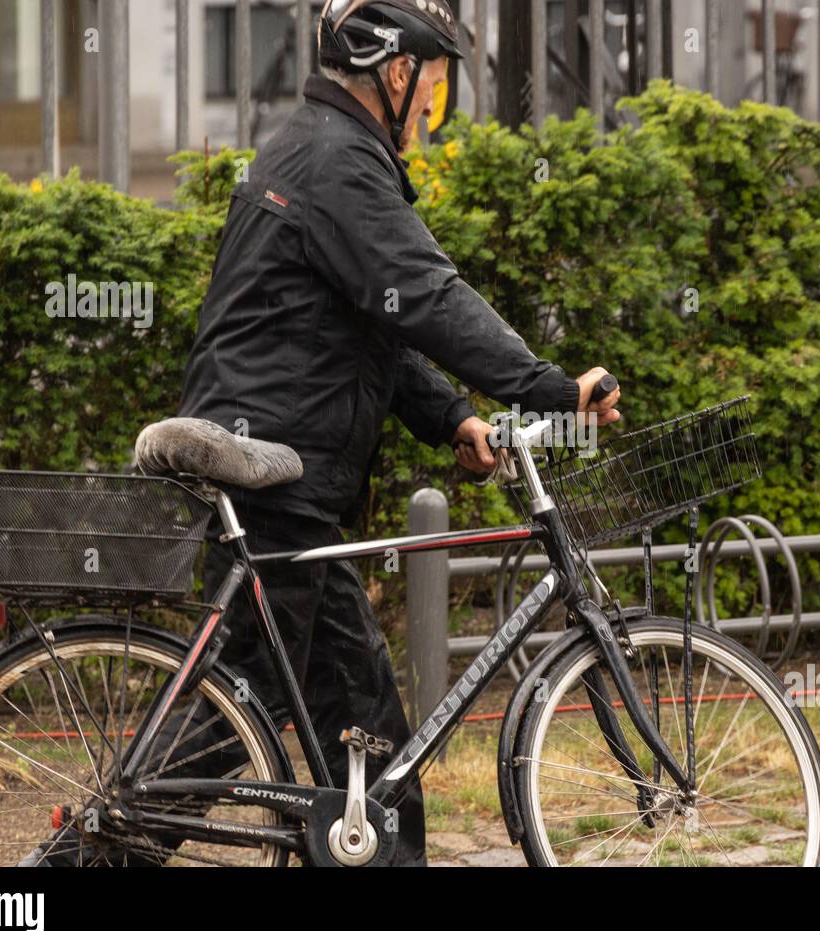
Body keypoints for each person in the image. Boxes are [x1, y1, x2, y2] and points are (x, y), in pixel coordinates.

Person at [171, 0, 620, 867]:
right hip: (278, 473)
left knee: (370, 736)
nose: (433, 108)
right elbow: (428, 297)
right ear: (394, 71)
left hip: (291, 479)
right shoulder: (337, 161)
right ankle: (88, 855)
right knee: (238, 717)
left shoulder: (319, 147)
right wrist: (554, 390)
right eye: (436, 85)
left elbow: (367, 321)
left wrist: (450, 414)